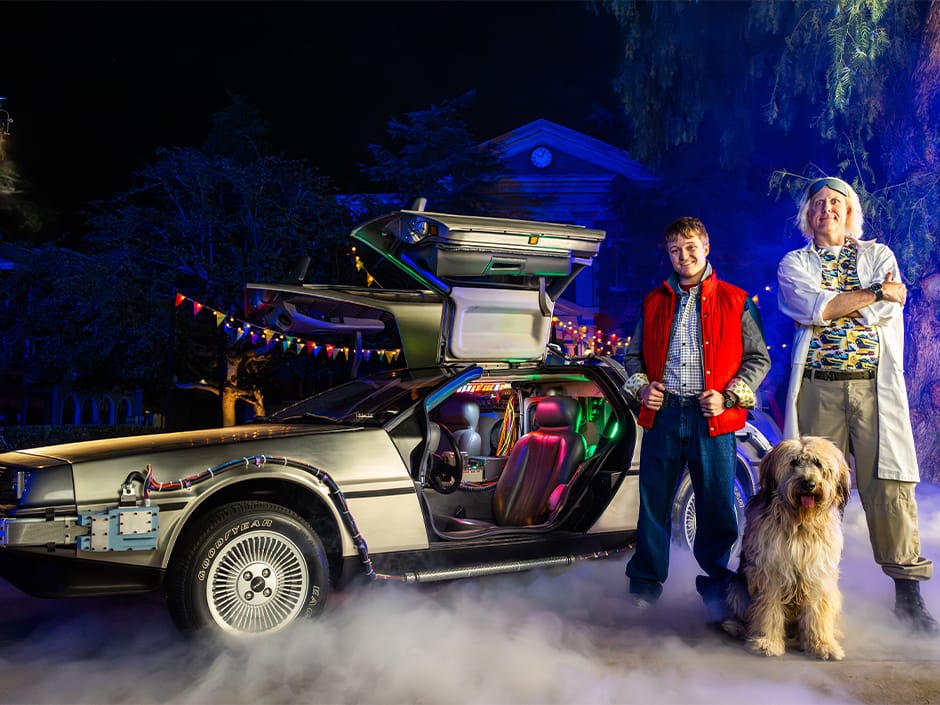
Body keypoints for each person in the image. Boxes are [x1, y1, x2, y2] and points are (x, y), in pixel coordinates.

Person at [777, 176, 938, 635]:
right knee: (808, 491)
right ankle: (800, 601)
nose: (826, 208)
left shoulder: (878, 255)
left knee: (890, 488)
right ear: (807, 215)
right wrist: (869, 295)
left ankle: (908, 599)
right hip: (818, 389)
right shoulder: (795, 263)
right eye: (818, 203)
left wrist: (842, 303)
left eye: (836, 202)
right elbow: (812, 307)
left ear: (851, 211)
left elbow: (888, 310)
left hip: (873, 389)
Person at [621, 216, 771, 621]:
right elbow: (632, 356)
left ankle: (721, 588)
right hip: (664, 416)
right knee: (653, 504)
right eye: (675, 250)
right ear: (668, 254)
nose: (683, 256)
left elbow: (760, 358)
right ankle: (645, 587)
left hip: (712, 419)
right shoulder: (653, 301)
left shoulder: (736, 300)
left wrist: (729, 397)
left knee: (717, 507)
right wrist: (641, 386)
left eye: (690, 247)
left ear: (706, 247)